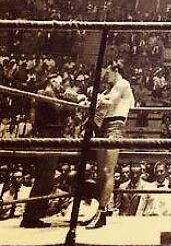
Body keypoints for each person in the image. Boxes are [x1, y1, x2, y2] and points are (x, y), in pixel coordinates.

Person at [20, 74, 78, 228]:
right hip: (48, 138)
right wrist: (70, 97)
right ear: (51, 82)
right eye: (58, 82)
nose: (60, 85)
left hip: (50, 137)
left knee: (45, 179)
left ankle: (33, 215)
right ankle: (30, 217)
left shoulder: (48, 94)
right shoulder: (47, 93)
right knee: (44, 179)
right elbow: (61, 110)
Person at [85, 60, 135, 229]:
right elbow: (99, 111)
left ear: (115, 70)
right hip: (102, 127)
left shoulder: (123, 83)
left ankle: (102, 211)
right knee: (100, 172)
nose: (105, 78)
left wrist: (93, 96)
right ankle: (100, 211)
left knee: (108, 171)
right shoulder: (107, 89)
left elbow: (110, 103)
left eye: (107, 73)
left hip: (115, 126)